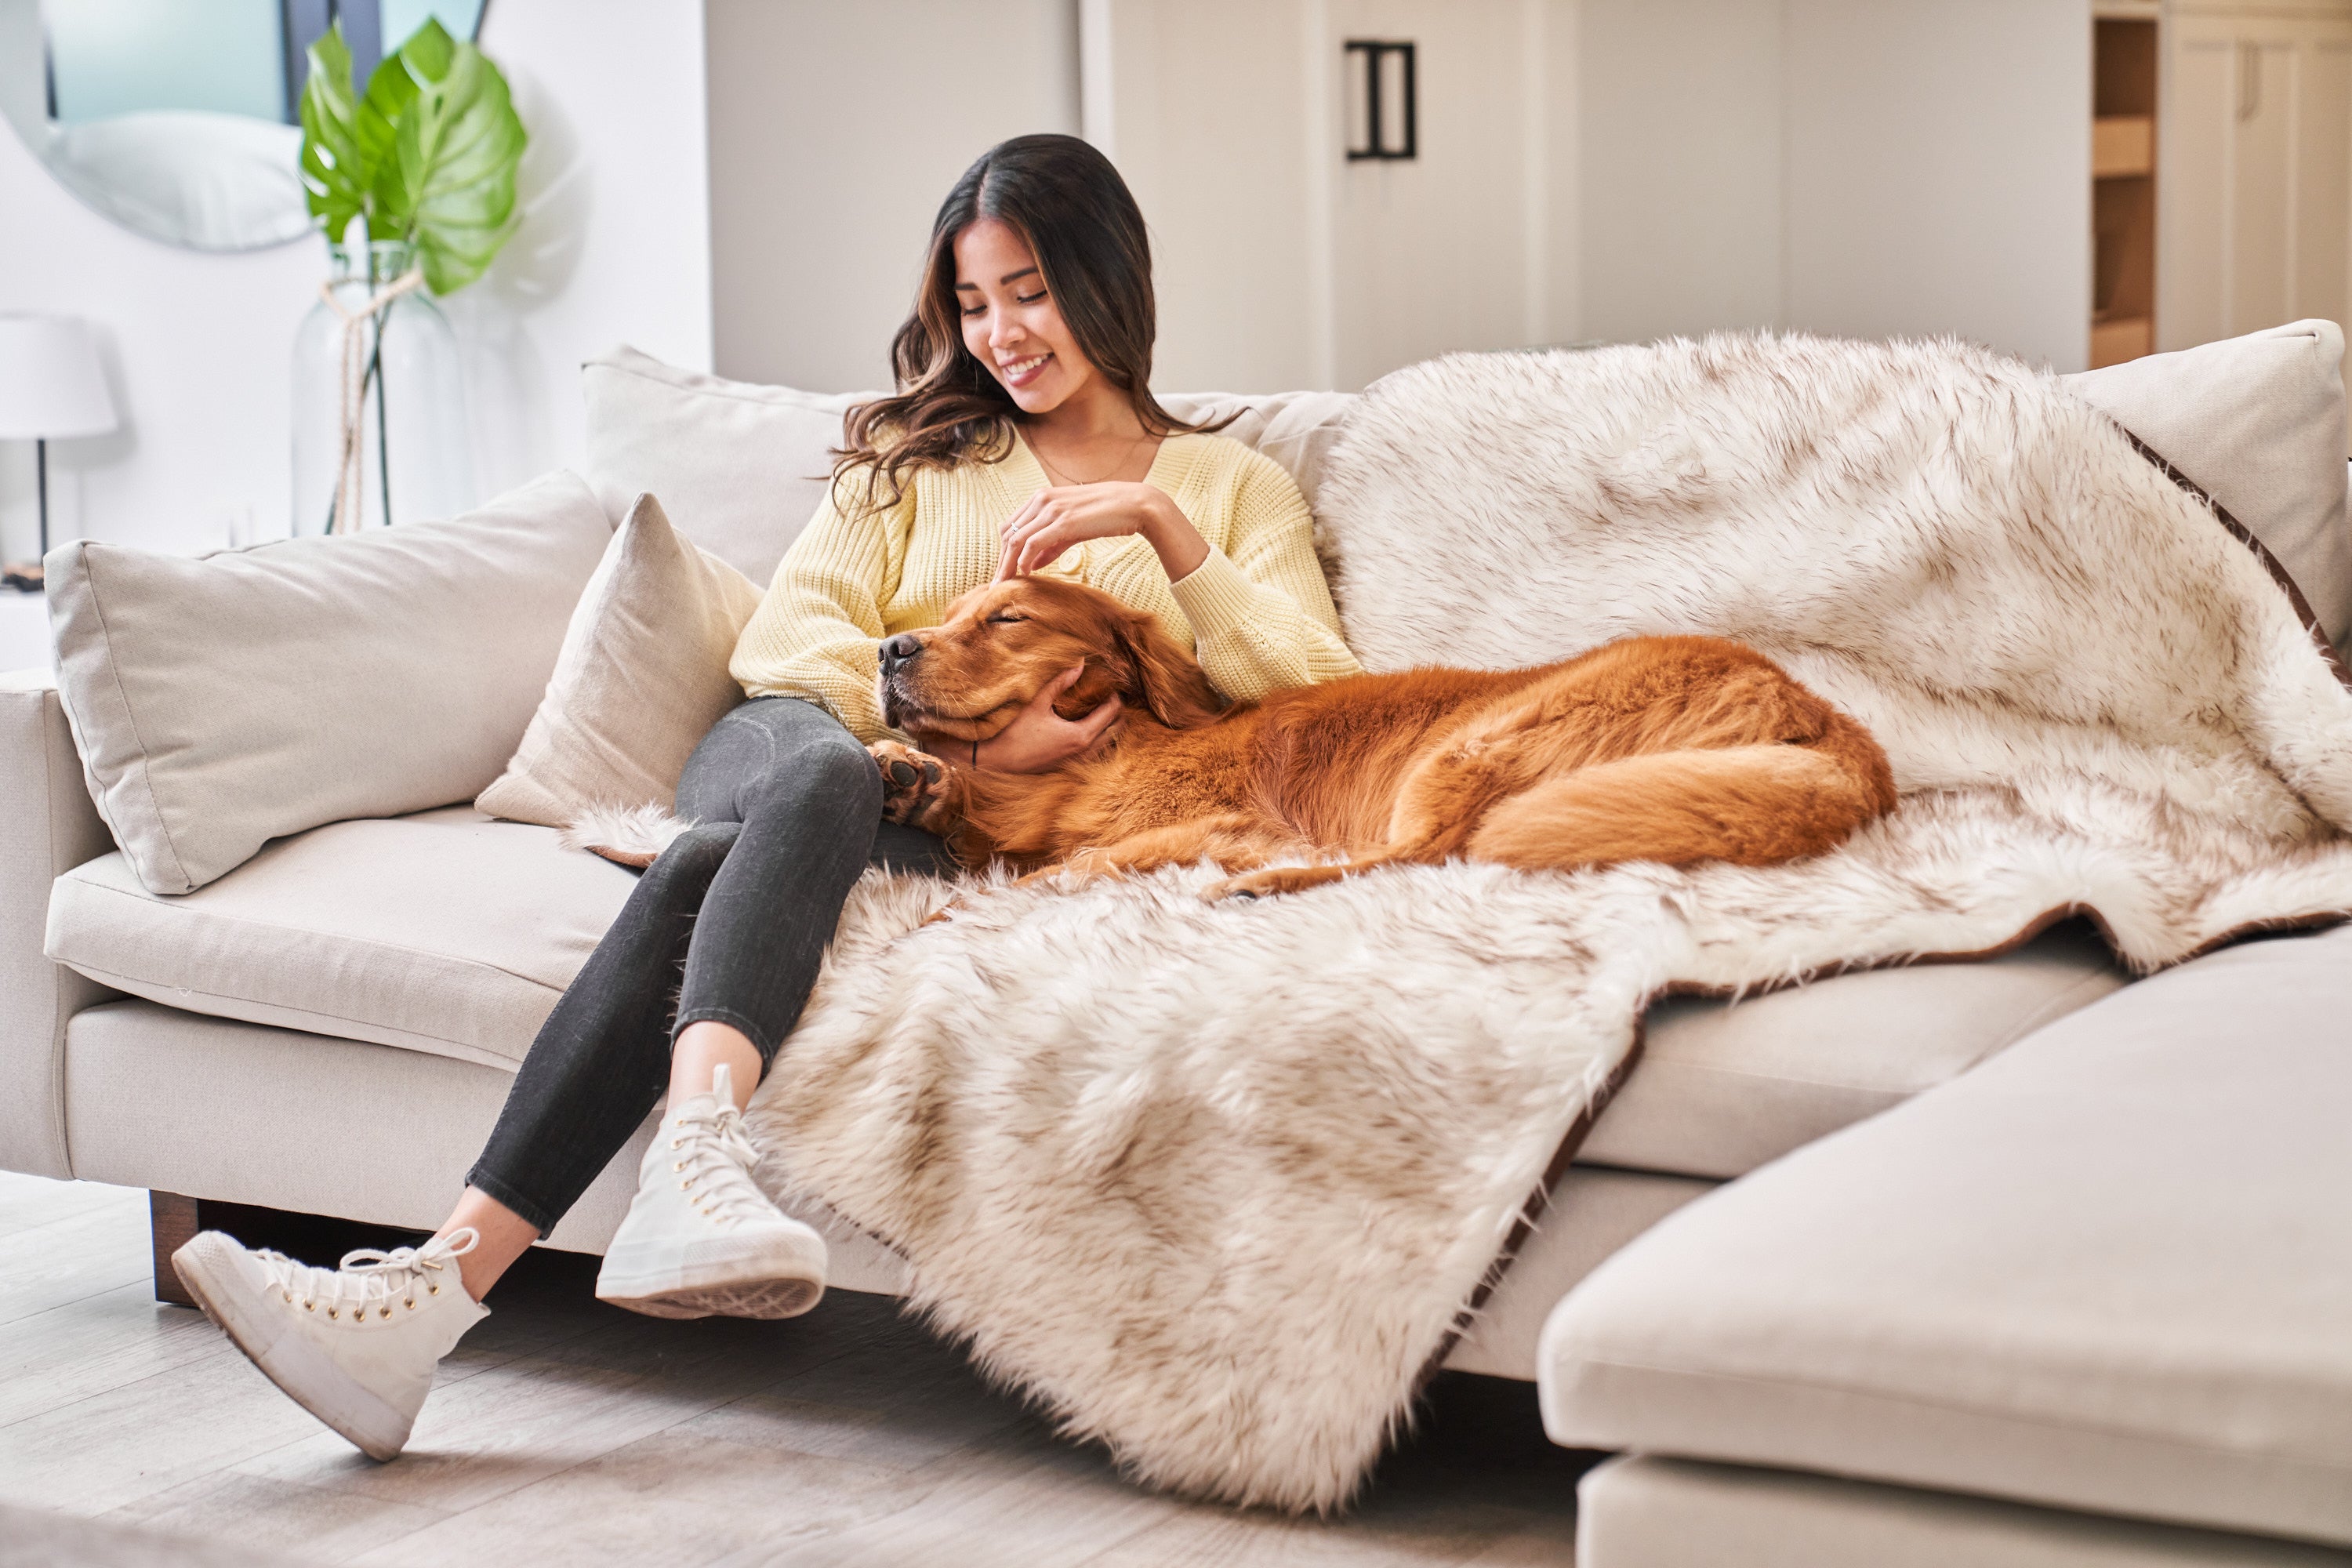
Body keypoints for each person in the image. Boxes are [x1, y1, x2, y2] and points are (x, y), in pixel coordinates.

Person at [168, 132, 1362, 1461]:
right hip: (790, 748)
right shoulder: (920, 459)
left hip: (922, 830)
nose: (1004, 333)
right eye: (973, 305)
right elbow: (789, 650)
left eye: (1028, 289)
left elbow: (1312, 684)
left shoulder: (1227, 487)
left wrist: (1158, 528)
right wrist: (978, 746)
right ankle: (697, 1167)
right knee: (827, 770)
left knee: (693, 881)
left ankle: (425, 1302)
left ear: (1105, 279)